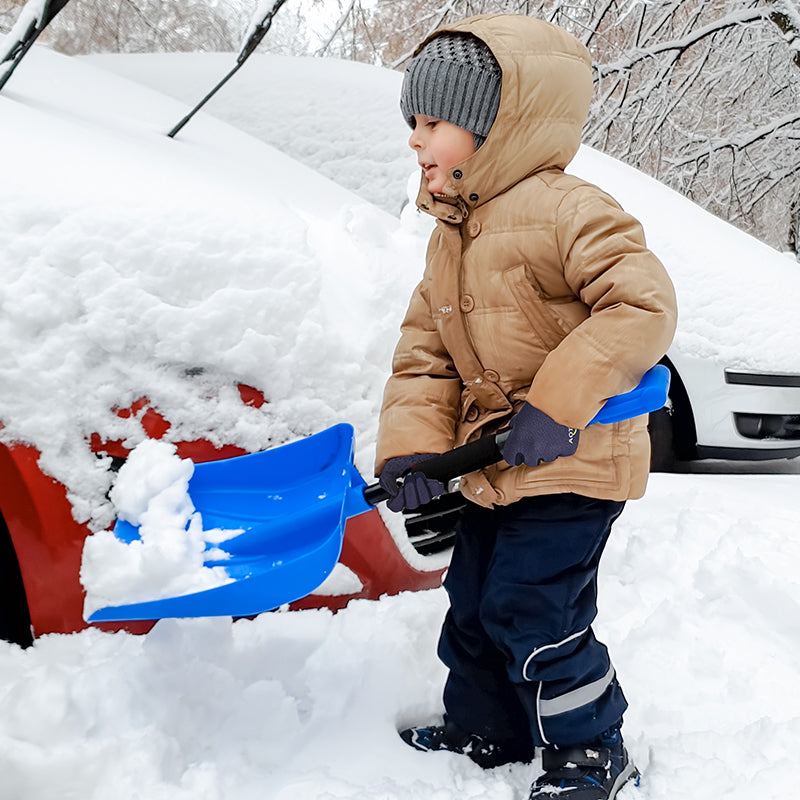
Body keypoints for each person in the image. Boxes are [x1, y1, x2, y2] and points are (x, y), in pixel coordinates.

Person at [374, 14, 678, 800]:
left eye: (432, 121)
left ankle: (592, 748)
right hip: (494, 468)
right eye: (413, 122)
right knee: (473, 603)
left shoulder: (568, 210)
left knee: (532, 609)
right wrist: (412, 450)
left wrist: (557, 402)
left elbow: (641, 307)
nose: (416, 139)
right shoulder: (451, 235)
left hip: (576, 460)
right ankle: (489, 728)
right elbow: (426, 354)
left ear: (493, 124)